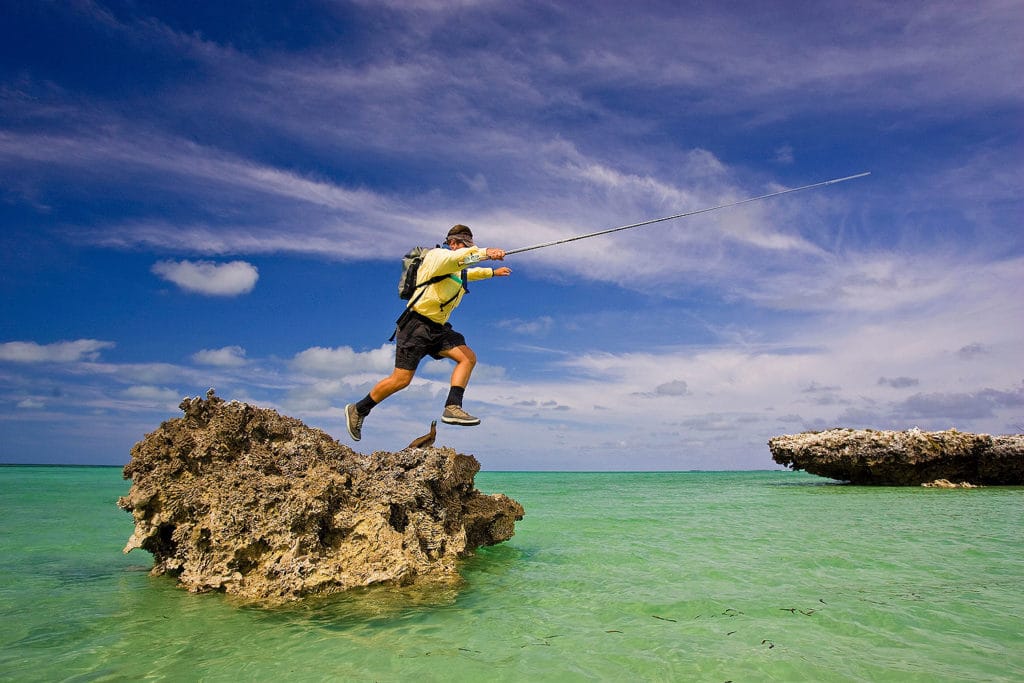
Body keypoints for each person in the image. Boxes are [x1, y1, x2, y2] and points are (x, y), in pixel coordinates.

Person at [345, 225, 511, 441]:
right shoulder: (438, 257)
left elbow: (468, 270)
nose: (465, 249)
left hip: (437, 328)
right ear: (452, 243)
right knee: (401, 380)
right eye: (463, 245)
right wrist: (486, 252)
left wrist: (492, 272)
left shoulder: (456, 267)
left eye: (468, 245)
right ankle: (359, 409)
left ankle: (453, 406)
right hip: (415, 326)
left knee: (468, 357)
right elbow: (463, 258)